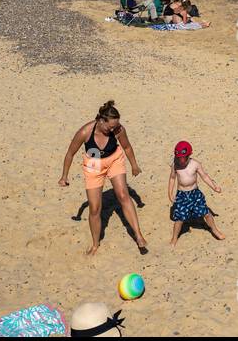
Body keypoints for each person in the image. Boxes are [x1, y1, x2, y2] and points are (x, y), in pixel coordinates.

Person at [58, 101, 149, 256]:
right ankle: (95, 244)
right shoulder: (85, 132)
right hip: (93, 165)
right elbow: (70, 153)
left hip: (114, 160)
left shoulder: (118, 129)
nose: (113, 129)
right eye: (110, 127)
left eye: (115, 126)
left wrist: (134, 165)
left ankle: (138, 235)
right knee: (94, 208)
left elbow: (126, 147)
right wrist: (64, 176)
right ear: (101, 121)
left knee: (123, 195)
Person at [169, 141, 224, 242]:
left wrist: (214, 187)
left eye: (183, 158)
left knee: (206, 213)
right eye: (179, 158)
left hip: (195, 193)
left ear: (189, 155)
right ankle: (174, 237)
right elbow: (172, 179)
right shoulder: (175, 165)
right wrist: (170, 193)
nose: (181, 160)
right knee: (179, 219)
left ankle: (215, 230)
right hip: (182, 195)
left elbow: (204, 176)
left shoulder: (195, 164)